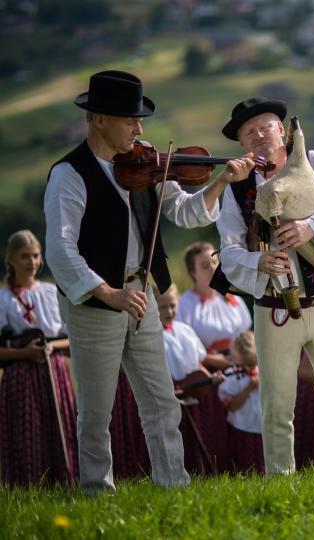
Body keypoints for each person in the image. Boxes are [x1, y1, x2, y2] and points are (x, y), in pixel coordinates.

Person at [44, 70, 252, 492]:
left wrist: (221, 182)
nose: (139, 130)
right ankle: (97, 492)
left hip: (141, 294)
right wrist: (108, 292)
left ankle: (172, 484)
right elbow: (60, 250)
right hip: (94, 303)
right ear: (99, 119)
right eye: (130, 120)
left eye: (139, 121)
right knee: (96, 412)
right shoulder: (69, 174)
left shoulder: (148, 163)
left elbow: (186, 212)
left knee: (161, 401)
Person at [215, 97, 314, 473]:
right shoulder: (235, 189)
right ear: (242, 143)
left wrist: (312, 226)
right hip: (273, 309)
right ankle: (281, 484)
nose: (258, 135)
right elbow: (228, 251)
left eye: (265, 126)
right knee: (277, 407)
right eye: (249, 132)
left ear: (281, 130)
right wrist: (258, 261)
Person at [0, 230, 78, 486]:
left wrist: (52, 347)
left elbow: (72, 338)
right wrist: (25, 352)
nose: (31, 262)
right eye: (24, 256)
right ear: (11, 259)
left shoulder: (51, 291)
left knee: (60, 428)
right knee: (27, 432)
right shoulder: (3, 299)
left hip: (54, 370)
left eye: (35, 256)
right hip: (20, 376)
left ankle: (65, 483)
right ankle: (29, 487)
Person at [177, 241, 251, 470]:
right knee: (214, 427)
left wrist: (243, 358)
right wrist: (212, 360)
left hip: (238, 367)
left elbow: (247, 336)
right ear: (192, 272)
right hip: (208, 371)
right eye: (204, 266)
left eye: (214, 262)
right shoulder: (185, 304)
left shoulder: (233, 300)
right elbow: (184, 346)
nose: (212, 268)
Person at [156, 284, 223, 475]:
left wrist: (209, 377)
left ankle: (200, 473)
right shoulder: (152, 335)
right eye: (163, 307)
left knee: (197, 440)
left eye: (172, 305)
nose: (169, 311)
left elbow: (199, 361)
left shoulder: (185, 330)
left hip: (192, 393)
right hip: (167, 397)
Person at [218, 331, 264, 474]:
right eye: (247, 363)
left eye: (253, 363)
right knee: (244, 466)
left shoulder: (263, 372)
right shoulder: (232, 377)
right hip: (243, 428)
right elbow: (231, 406)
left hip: (262, 427)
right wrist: (249, 387)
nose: (250, 367)